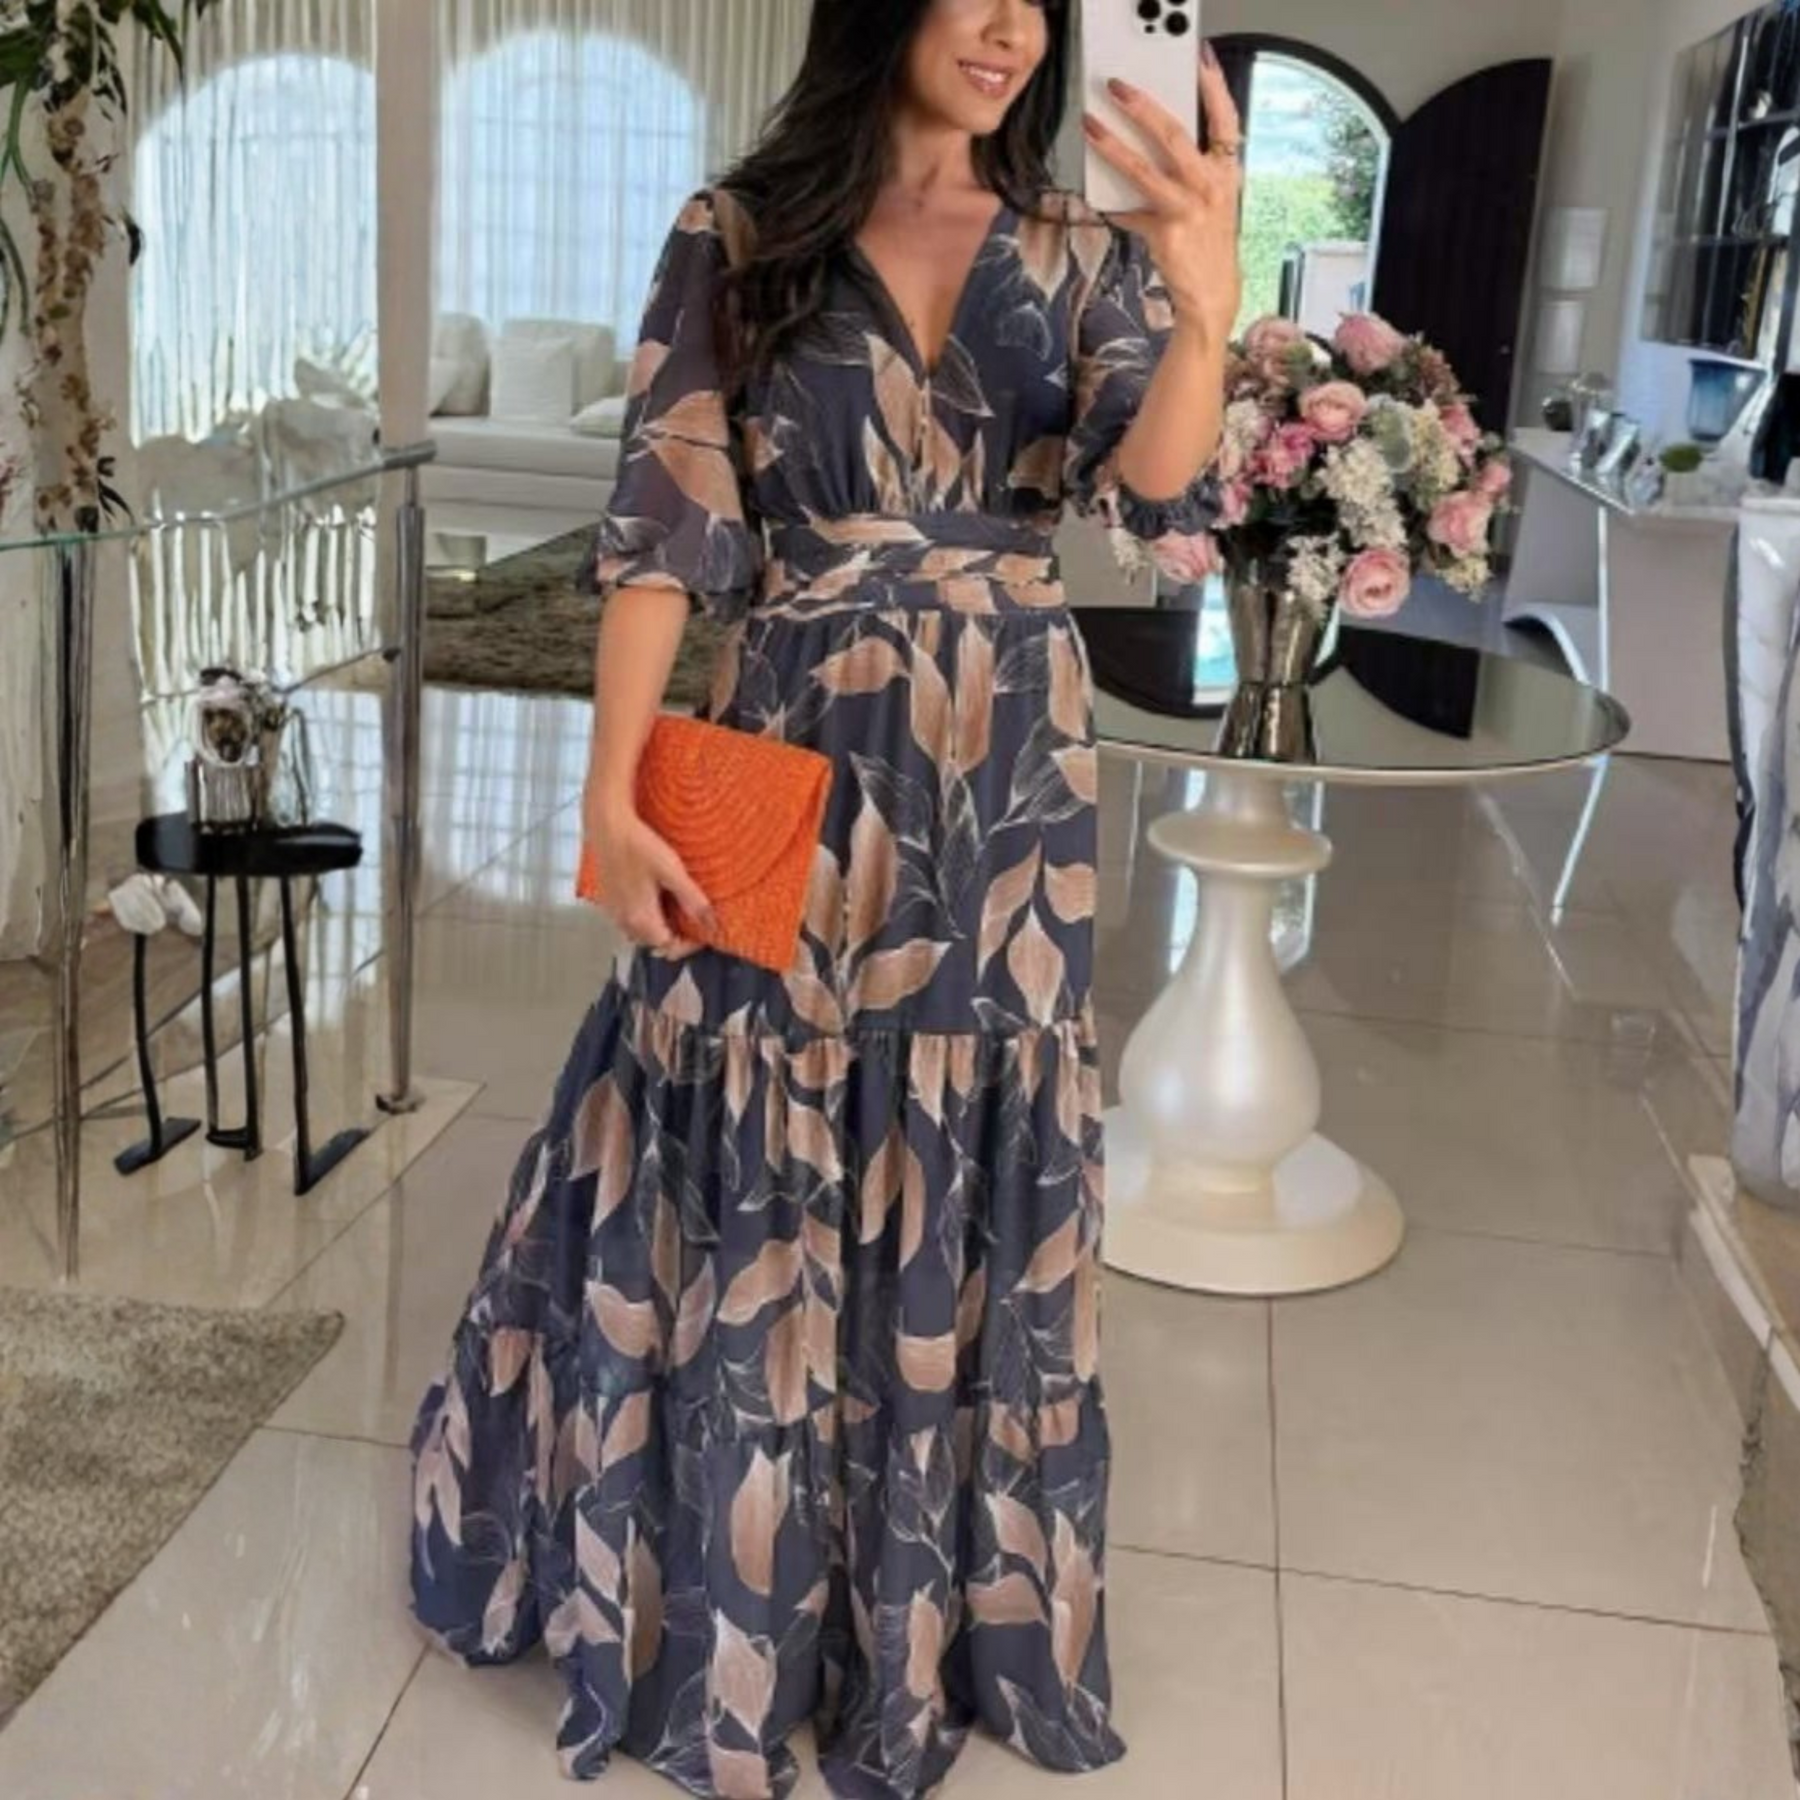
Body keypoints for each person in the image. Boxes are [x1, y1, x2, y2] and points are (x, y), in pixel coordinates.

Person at [409, 1, 1242, 1793]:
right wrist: (612, 791)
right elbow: (662, 529)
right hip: (788, 732)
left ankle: (922, 1608)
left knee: (969, 1139)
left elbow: (1156, 487)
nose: (1012, 28)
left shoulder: (1078, 246)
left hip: (1009, 771)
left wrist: (1203, 296)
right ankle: (728, 1592)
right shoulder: (740, 233)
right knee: (727, 1119)